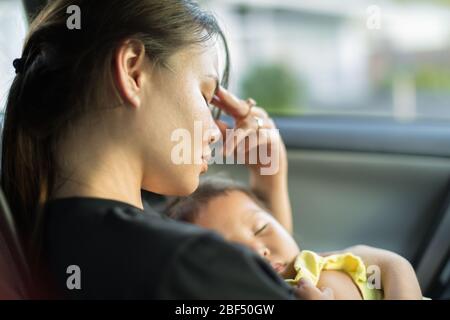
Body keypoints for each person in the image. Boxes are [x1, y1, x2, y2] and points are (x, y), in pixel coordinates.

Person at [1, 0, 334, 299]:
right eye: (206, 96)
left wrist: (269, 185)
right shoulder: (191, 263)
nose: (217, 131)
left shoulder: (42, 234)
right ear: (133, 70)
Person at [166, 177, 424, 300]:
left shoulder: (321, 262)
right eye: (233, 251)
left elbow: (397, 266)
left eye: (260, 229)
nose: (258, 249)